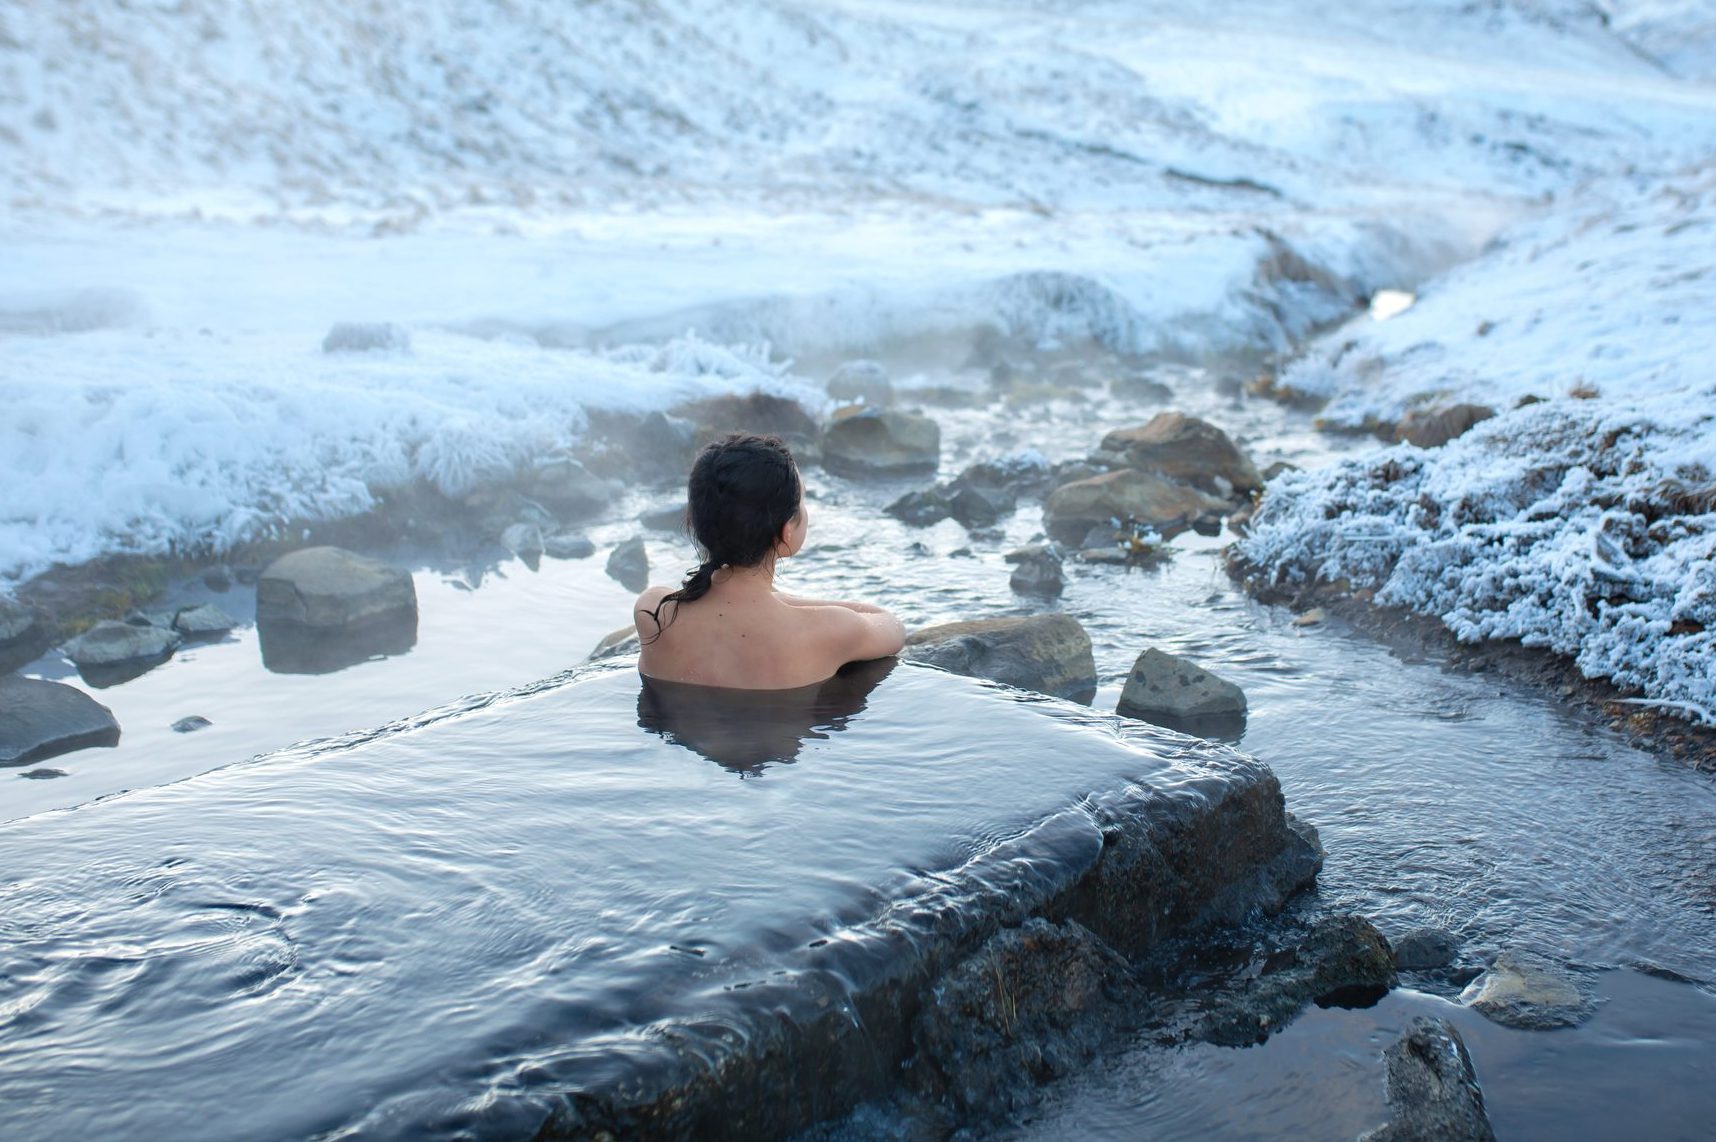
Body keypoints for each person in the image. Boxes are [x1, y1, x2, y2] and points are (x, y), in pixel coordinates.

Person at [634, 433, 905, 689]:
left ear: (696, 521)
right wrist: (782, 601)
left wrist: (776, 599)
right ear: (786, 531)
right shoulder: (830, 629)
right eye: (802, 501)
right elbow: (891, 625)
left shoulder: (654, 611)